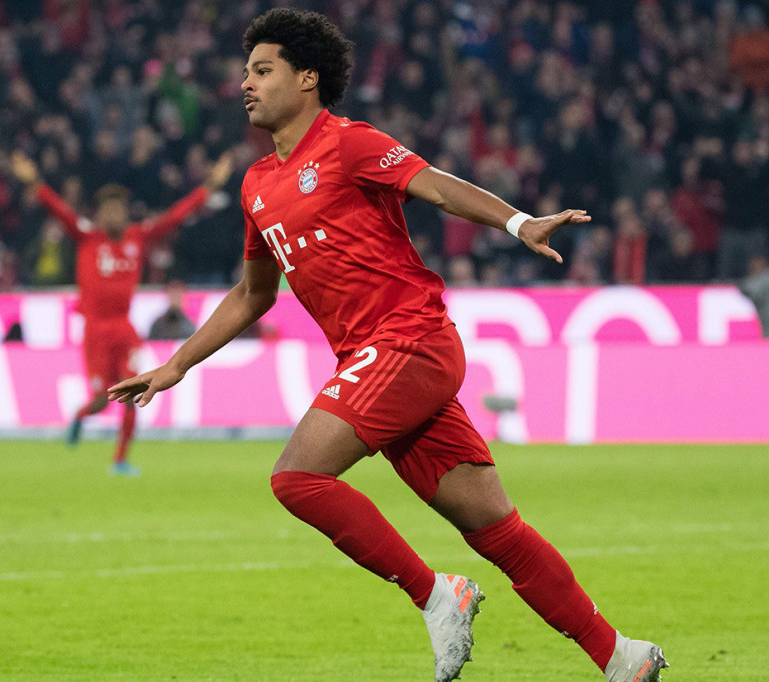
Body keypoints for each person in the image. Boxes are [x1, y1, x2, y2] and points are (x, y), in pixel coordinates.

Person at [110, 9, 667, 682]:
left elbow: (435, 185)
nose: (245, 84)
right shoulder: (257, 184)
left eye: (262, 70)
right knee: (497, 531)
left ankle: (438, 594)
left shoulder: (348, 144)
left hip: (410, 342)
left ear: (307, 78)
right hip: (377, 364)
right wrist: (176, 364)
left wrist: (516, 223)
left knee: (296, 477)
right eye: (245, 72)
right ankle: (620, 656)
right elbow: (253, 295)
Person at [12, 149, 233, 476]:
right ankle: (80, 416)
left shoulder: (138, 236)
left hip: (124, 330)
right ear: (99, 213)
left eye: (120, 207)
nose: (115, 213)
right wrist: (34, 181)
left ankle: (119, 460)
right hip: (95, 331)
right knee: (101, 400)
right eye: (109, 208)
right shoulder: (87, 237)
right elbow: (58, 210)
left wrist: (209, 187)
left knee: (133, 393)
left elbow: (175, 216)